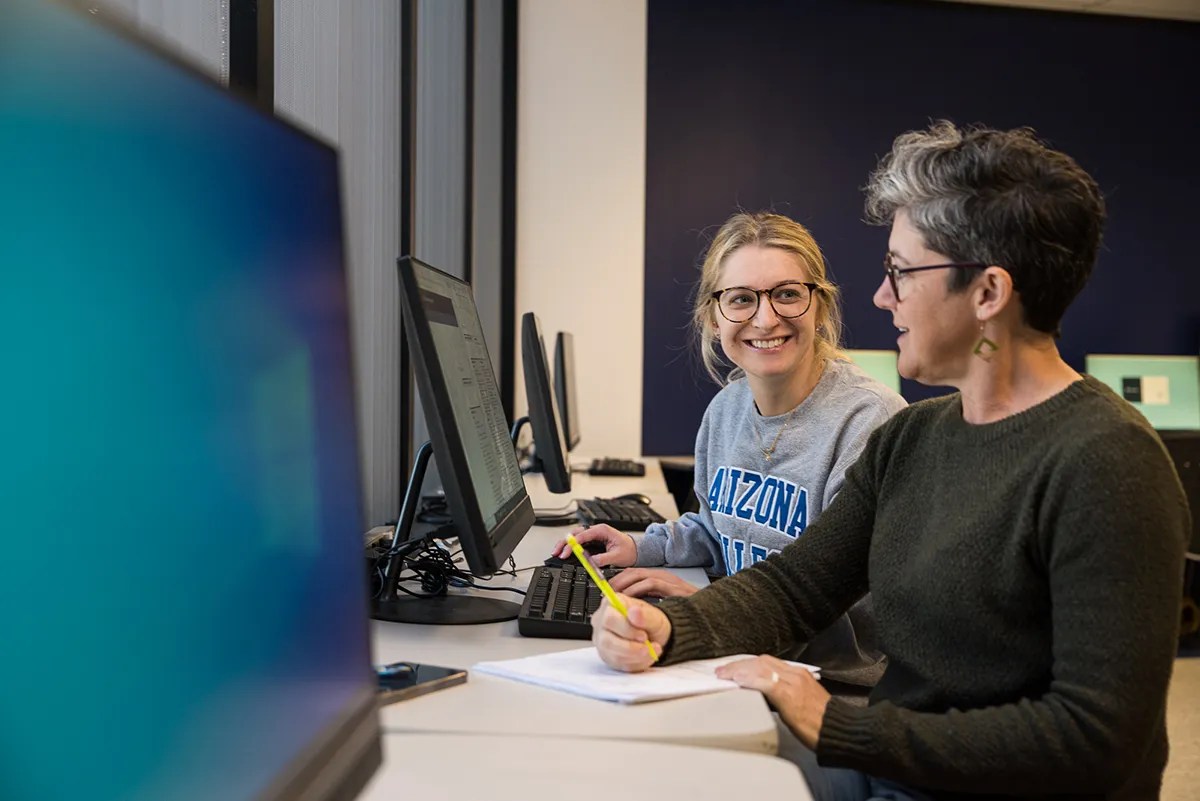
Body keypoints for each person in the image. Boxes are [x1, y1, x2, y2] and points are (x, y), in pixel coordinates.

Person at [590, 122, 1190, 800]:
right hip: (893, 765)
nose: (881, 297)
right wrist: (669, 627)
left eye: (902, 272)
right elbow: (795, 586)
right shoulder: (916, 438)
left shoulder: (1108, 462)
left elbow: (1094, 737)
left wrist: (841, 727)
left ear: (988, 294)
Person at [553, 211, 906, 688]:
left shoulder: (870, 422)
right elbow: (714, 525)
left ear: (819, 306)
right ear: (712, 317)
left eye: (787, 294)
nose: (765, 318)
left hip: (826, 685)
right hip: (743, 655)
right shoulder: (726, 409)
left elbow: (842, 608)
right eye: (740, 299)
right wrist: (638, 545)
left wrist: (709, 610)